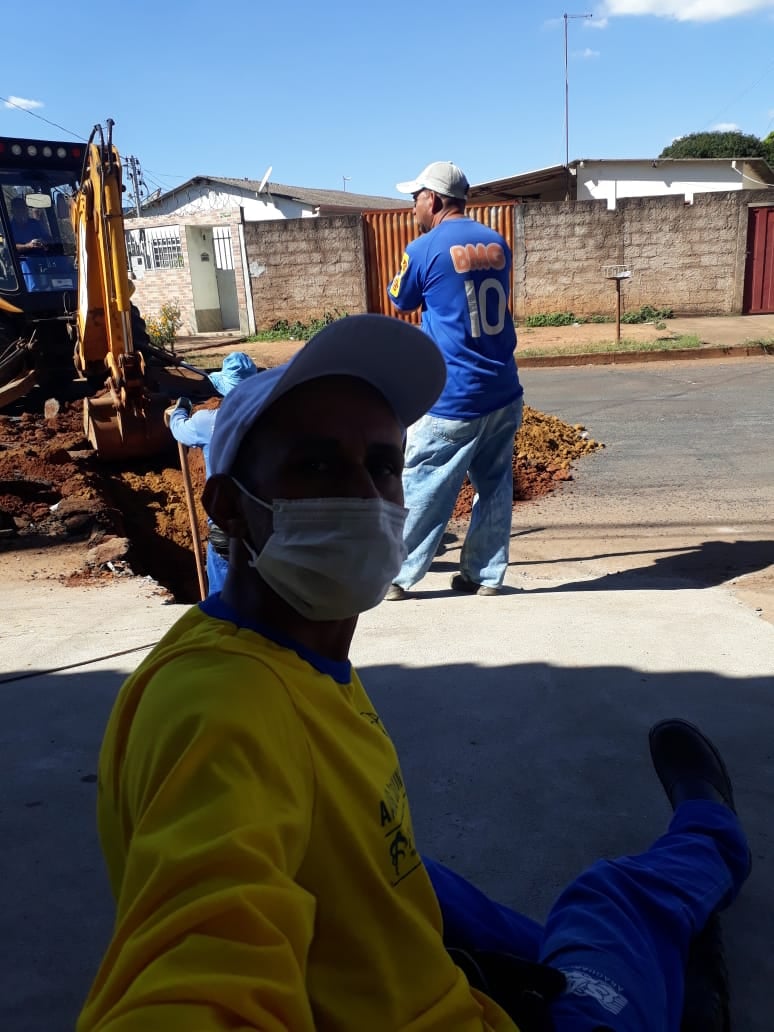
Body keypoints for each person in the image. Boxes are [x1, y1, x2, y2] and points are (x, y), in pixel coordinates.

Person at [77, 314, 750, 1032]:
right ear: (230, 508)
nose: (364, 495)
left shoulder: (288, 660)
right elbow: (198, 967)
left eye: (382, 465)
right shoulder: (221, 709)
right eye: (315, 466)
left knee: (501, 917)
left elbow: (368, 863)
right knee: (611, 903)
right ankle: (712, 830)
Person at [385, 160, 524, 600]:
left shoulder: (424, 248)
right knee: (495, 485)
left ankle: (396, 577)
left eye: (416, 197)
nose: (412, 206)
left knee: (423, 482)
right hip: (503, 388)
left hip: (452, 394)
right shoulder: (496, 241)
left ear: (436, 200)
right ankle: (484, 576)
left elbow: (401, 298)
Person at [164, 350, 258, 594]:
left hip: (225, 529)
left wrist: (180, 410)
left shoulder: (207, 422)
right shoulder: (271, 421)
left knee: (222, 601)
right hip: (265, 525)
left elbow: (179, 430)